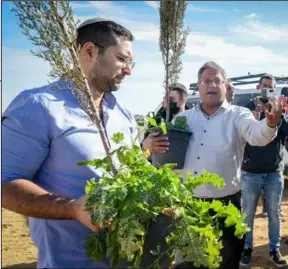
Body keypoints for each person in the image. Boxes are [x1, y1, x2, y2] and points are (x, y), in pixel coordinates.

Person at [2, 18, 137, 269]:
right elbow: (5, 183)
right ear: (89, 52)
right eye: (122, 59)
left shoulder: (123, 114)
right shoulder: (39, 106)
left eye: (131, 62)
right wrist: (73, 208)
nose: (129, 70)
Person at [145, 61, 284, 269]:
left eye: (216, 81)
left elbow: (258, 135)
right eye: (206, 81)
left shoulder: (237, 115)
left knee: (226, 262)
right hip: (190, 207)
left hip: (226, 207)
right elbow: (163, 153)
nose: (211, 85)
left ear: (225, 86)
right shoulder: (184, 119)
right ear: (199, 86)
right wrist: (148, 144)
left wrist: (270, 124)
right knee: (189, 263)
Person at [240, 74, 288, 267]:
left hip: (274, 172)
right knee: (247, 214)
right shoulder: (246, 109)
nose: (267, 90)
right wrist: (256, 115)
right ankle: (247, 248)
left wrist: (279, 115)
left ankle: (274, 249)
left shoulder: (278, 111)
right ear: (258, 87)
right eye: (264, 86)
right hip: (250, 171)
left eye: (271, 87)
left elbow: (286, 135)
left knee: (274, 214)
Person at [142, 83, 188, 154]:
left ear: (183, 100)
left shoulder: (192, 120)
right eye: (166, 99)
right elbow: (143, 151)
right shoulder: (157, 122)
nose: (168, 102)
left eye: (171, 99)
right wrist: (145, 146)